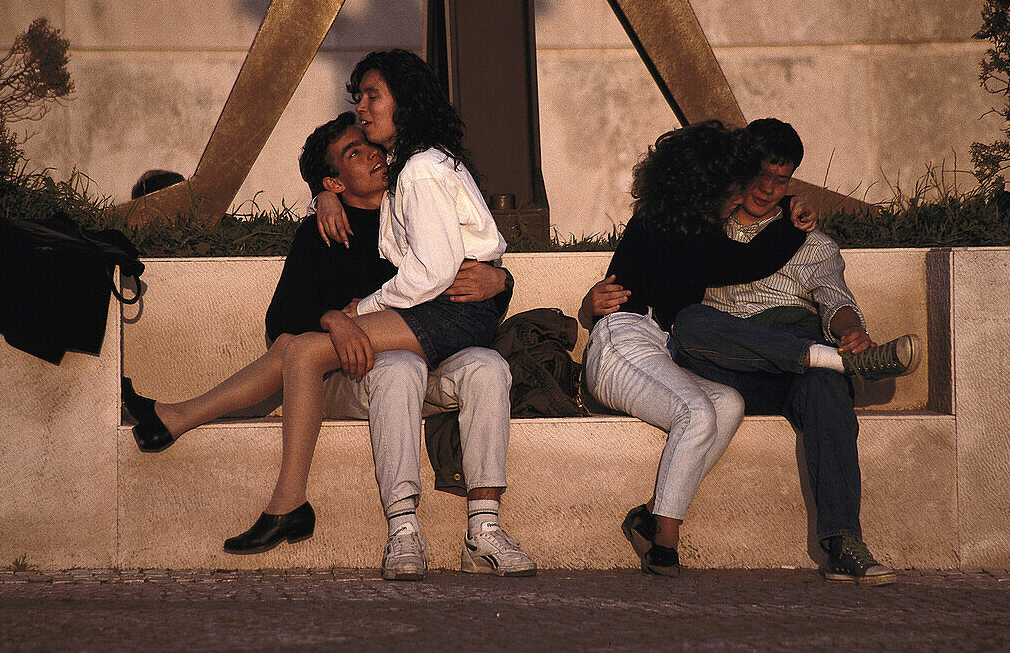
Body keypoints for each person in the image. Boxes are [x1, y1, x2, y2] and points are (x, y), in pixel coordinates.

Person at [122, 111, 535, 579]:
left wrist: (501, 278)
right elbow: (282, 325)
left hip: (433, 360)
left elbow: (468, 270)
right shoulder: (321, 233)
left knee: (483, 364)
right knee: (385, 364)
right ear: (334, 183)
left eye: (371, 146)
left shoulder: (414, 204)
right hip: (353, 375)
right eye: (353, 154)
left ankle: (485, 533)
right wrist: (333, 318)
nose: (373, 156)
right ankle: (400, 532)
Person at [227, 49, 535, 577]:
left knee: (302, 351)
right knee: (457, 367)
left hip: (448, 312)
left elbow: (435, 271)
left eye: (373, 97)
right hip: (453, 318)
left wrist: (361, 308)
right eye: (360, 98)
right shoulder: (408, 168)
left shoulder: (418, 170)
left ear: (404, 102)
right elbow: (355, 188)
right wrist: (320, 199)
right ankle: (432, 531)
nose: (363, 108)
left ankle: (289, 503)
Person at [668, 118, 919, 586]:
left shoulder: (812, 242)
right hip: (729, 362)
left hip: (795, 355)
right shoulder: (707, 232)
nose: (768, 189)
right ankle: (836, 362)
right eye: (760, 175)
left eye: (781, 180)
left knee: (825, 388)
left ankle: (844, 543)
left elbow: (835, 298)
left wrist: (853, 332)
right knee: (690, 323)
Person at [579, 121, 815, 577]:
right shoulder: (670, 230)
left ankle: (650, 514)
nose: (740, 196)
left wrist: (787, 206)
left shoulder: (681, 223)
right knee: (698, 413)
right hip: (622, 341)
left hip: (653, 346)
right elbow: (746, 261)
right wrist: (791, 218)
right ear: (703, 189)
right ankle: (664, 539)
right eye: (733, 188)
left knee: (728, 403)